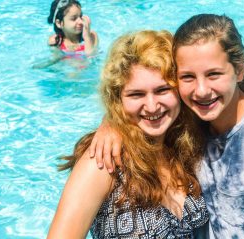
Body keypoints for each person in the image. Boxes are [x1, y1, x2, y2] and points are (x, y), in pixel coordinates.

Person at [93, 14, 244, 238]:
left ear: (239, 69)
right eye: (187, 77)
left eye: (214, 74)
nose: (202, 90)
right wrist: (112, 122)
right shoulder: (194, 126)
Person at [47, 30, 209, 238]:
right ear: (118, 99)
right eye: (136, 94)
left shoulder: (186, 146)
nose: (152, 106)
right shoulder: (103, 161)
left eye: (162, 90)